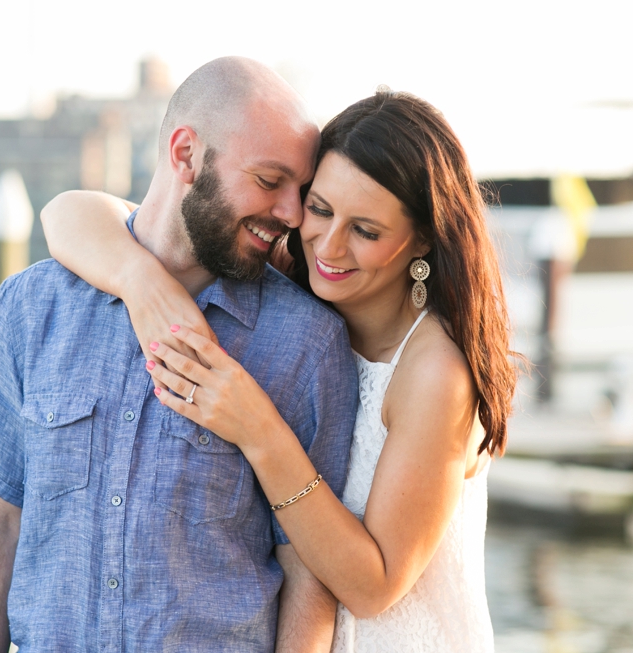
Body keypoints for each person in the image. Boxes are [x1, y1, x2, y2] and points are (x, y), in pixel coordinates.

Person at [40, 89, 521, 652]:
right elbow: (66, 213)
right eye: (320, 208)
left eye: (366, 231)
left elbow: (375, 586)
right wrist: (138, 281)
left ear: (420, 237)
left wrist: (259, 430)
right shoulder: (299, 274)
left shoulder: (436, 372)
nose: (330, 244)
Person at [0, 57, 360, 653]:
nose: (292, 215)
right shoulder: (31, 306)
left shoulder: (307, 344)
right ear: (186, 155)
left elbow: (308, 571)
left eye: (301, 191)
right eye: (270, 182)